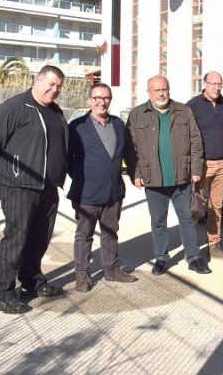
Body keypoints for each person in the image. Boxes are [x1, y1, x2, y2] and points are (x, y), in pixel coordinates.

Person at [0, 65, 68, 314]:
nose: (55, 90)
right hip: (19, 187)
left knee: (39, 238)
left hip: (48, 187)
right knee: (16, 240)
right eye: (51, 84)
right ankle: (2, 292)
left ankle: (32, 283)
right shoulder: (15, 107)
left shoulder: (55, 112)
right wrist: (10, 174)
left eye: (59, 87)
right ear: (37, 80)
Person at [125, 76, 209, 275]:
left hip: (182, 178)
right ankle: (161, 258)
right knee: (158, 221)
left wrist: (196, 169)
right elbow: (130, 147)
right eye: (157, 90)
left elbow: (196, 141)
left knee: (187, 219)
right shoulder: (138, 114)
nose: (161, 93)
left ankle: (194, 257)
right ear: (149, 92)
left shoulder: (183, 111)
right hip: (153, 179)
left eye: (164, 89)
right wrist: (135, 172)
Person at [68, 83, 137, 292]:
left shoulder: (117, 124)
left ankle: (112, 270)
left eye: (106, 98)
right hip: (86, 192)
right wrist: (82, 178)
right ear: (89, 100)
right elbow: (68, 158)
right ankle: (82, 275)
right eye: (97, 98)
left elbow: (128, 153)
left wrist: (135, 175)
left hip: (113, 192)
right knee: (84, 235)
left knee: (110, 232)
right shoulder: (77, 126)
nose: (102, 102)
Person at [186, 71, 223, 261]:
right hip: (201, 164)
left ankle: (214, 246)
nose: (216, 87)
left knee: (217, 207)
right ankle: (191, 249)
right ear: (204, 84)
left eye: (219, 84)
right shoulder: (192, 106)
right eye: (212, 83)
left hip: (221, 161)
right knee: (196, 207)